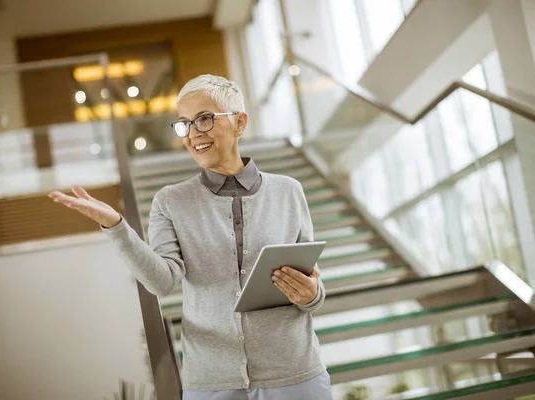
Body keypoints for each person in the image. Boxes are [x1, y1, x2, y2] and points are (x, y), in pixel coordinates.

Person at [48, 75, 332, 400]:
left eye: (205, 119)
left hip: (295, 375)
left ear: (239, 123)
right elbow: (162, 281)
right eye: (184, 124)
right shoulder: (170, 201)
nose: (194, 133)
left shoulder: (288, 191)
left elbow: (310, 283)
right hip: (211, 383)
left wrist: (311, 294)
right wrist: (117, 228)